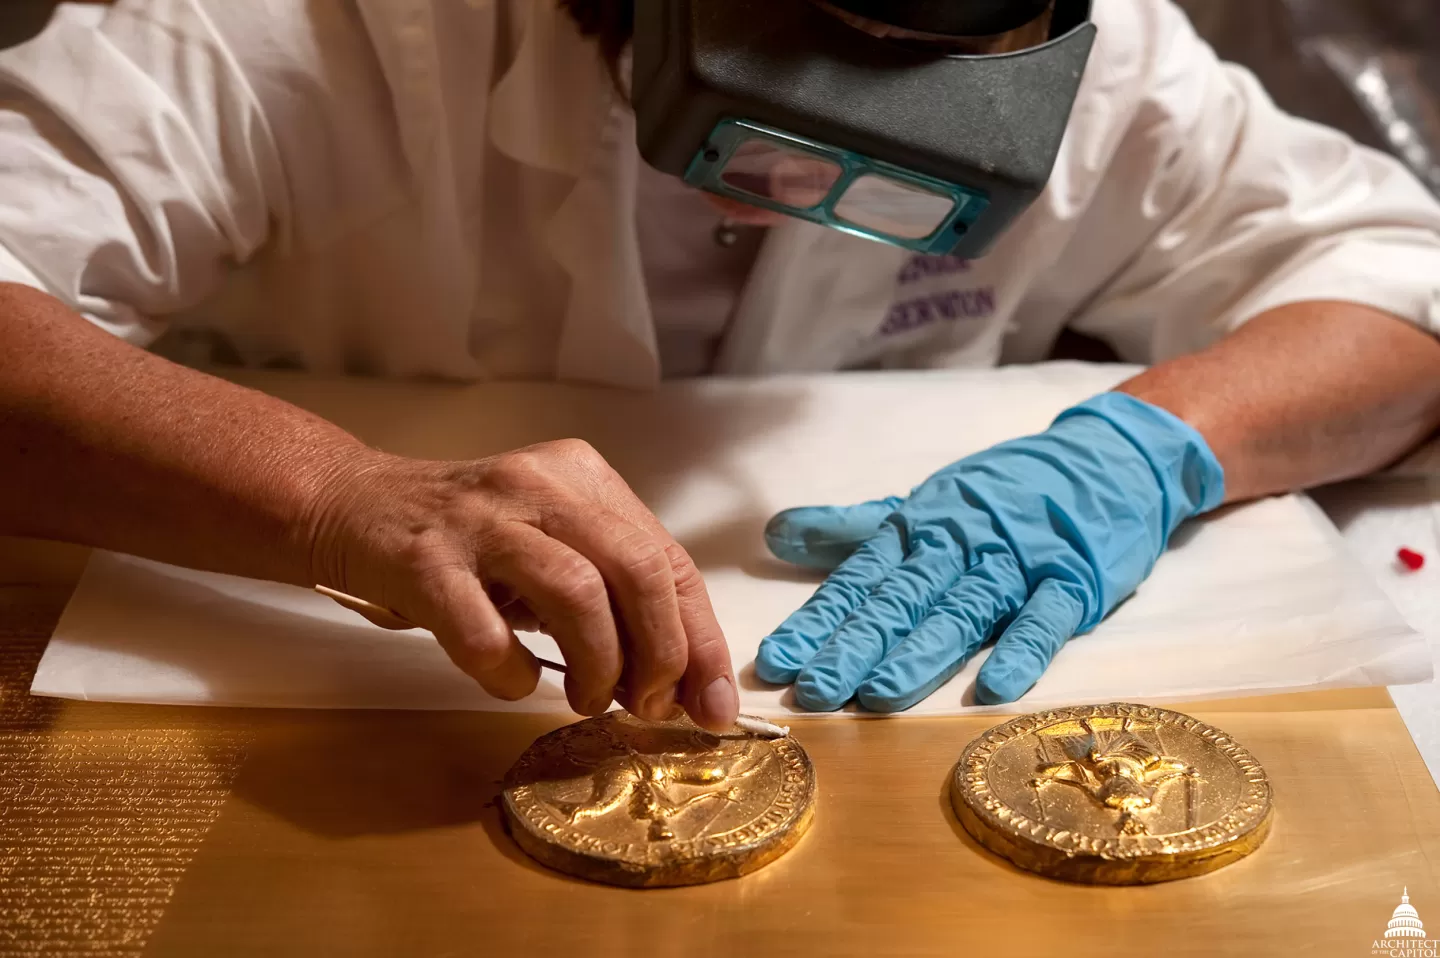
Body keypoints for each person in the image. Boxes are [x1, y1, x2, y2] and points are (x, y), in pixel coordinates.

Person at [2, 0, 1439, 734]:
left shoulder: (1106, 71)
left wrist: (1140, 447)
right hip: (316, 703)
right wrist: (331, 496)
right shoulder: (311, 36)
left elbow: (1399, 283)